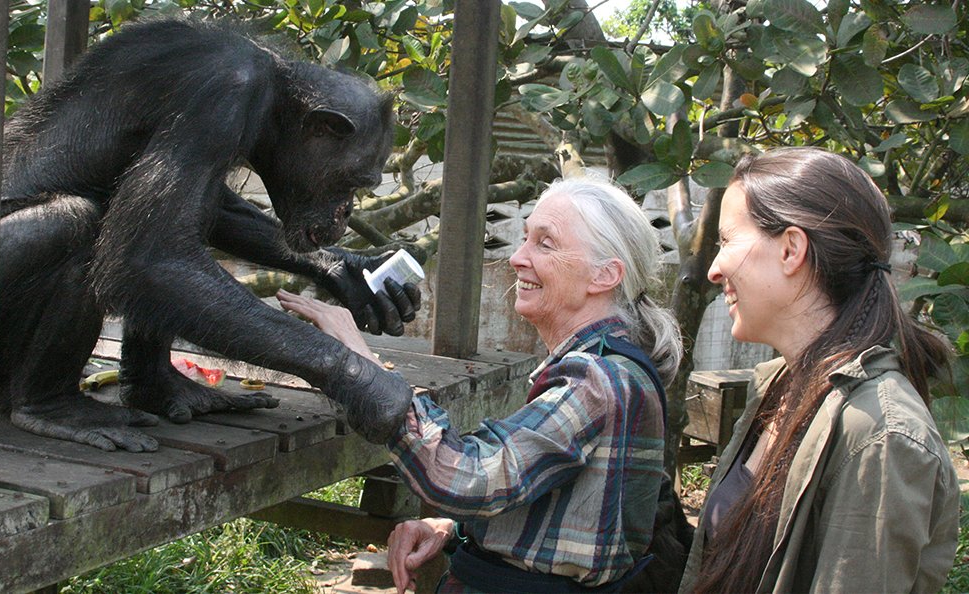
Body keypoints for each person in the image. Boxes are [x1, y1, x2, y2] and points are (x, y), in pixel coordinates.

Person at [277, 177, 685, 593]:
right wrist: (453, 528)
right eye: (524, 238)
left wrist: (360, 364)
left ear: (604, 275)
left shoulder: (598, 379)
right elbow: (570, 506)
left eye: (546, 244)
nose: (517, 258)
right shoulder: (610, 367)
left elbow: (465, 477)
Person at [680, 147, 960, 593]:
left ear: (792, 249)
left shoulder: (880, 432)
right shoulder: (780, 385)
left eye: (727, 240)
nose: (714, 269)